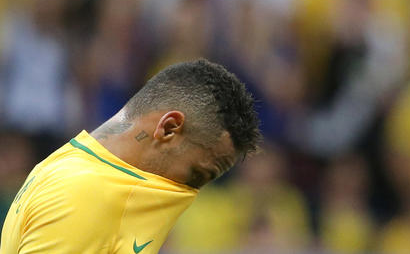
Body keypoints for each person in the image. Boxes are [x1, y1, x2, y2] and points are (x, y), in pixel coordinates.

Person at [0, 59, 261, 254]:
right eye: (197, 175)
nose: (192, 192)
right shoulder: (88, 194)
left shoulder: (73, 166)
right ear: (168, 129)